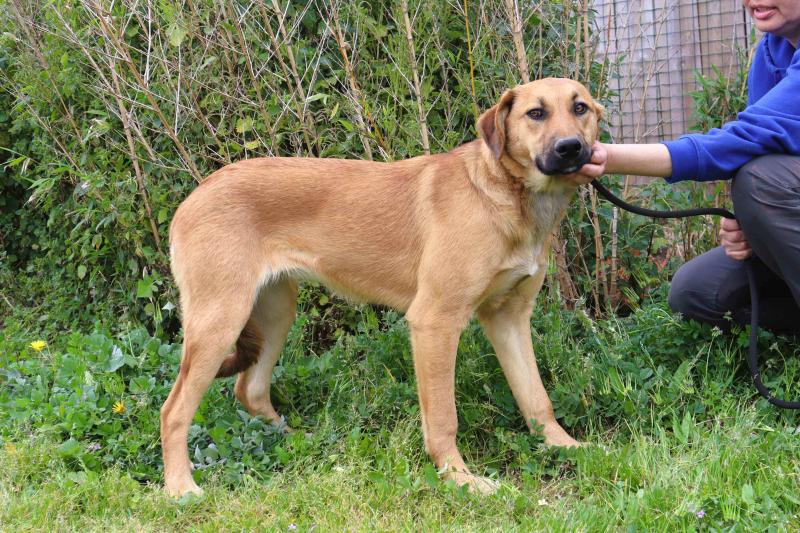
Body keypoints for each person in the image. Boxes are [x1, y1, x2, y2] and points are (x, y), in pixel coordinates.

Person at [572, 0, 800, 333]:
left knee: (763, 182)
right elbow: (756, 151)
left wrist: (606, 157)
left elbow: (748, 139)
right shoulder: (772, 51)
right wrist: (755, 225)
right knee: (695, 292)